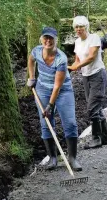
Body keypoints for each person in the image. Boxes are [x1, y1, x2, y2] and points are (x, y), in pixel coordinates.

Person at [27, 27, 82, 171]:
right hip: (42, 90)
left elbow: (57, 86)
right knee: (46, 123)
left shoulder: (61, 59)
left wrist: (50, 105)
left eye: (51, 38)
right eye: (45, 37)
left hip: (63, 90)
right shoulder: (37, 51)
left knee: (70, 122)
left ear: (56, 40)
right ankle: (52, 157)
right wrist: (32, 77)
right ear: (41, 39)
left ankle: (72, 158)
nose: (48, 41)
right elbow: (31, 60)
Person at [68, 16, 107, 149]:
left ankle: (96, 138)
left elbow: (91, 57)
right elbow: (77, 60)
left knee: (92, 108)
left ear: (86, 27)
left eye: (80, 26)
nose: (78, 29)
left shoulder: (94, 38)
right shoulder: (77, 42)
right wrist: (71, 67)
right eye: (76, 27)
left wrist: (77, 66)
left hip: (97, 74)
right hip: (86, 76)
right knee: (96, 108)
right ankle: (104, 137)